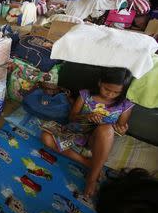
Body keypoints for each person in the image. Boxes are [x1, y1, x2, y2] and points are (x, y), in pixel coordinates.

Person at [41, 68, 134, 197]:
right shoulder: (85, 95)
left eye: (116, 92)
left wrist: (121, 131)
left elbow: (120, 128)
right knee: (46, 137)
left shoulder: (125, 105)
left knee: (106, 129)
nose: (110, 94)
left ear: (122, 91)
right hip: (77, 134)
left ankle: (92, 178)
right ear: (100, 83)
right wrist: (86, 116)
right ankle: (89, 163)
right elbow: (72, 117)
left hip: (97, 143)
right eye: (107, 89)